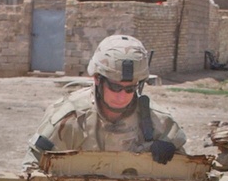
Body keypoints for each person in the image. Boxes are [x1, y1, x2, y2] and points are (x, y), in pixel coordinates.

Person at [23, 34, 185, 169]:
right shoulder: (69, 118)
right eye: (115, 87)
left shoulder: (158, 122)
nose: (122, 96)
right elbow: (33, 166)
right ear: (97, 79)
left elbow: (188, 173)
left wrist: (174, 155)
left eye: (130, 89)